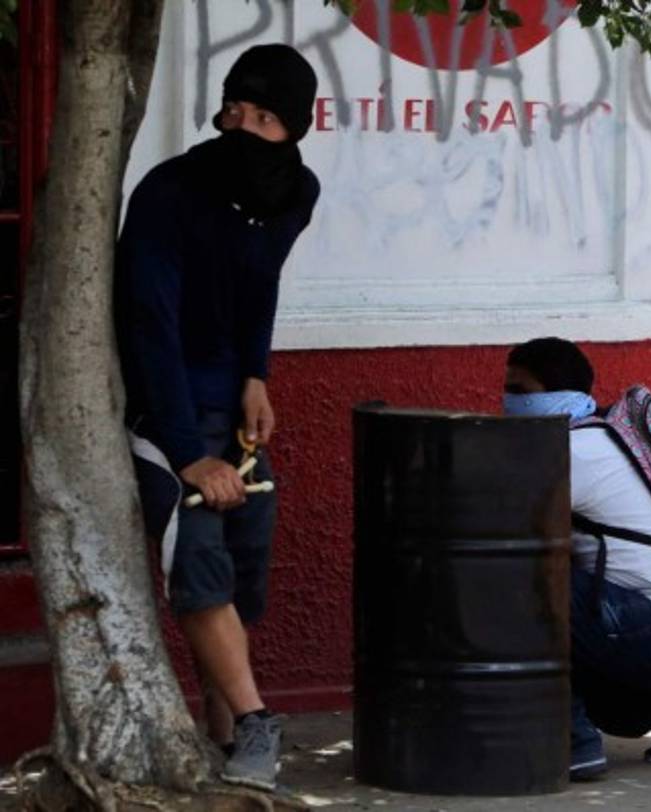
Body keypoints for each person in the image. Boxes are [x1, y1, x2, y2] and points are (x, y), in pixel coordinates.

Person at [115, 44, 320, 790]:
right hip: (159, 413)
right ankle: (261, 723)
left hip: (229, 410)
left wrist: (256, 374)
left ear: (295, 130)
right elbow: (148, 323)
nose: (242, 125)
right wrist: (181, 451)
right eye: (234, 108)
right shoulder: (171, 192)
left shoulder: (295, 192)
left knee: (242, 562)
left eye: (264, 117)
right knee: (198, 559)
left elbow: (257, 282)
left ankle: (226, 728)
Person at [503, 337, 651, 780]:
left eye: (521, 392)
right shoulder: (608, 437)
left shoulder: (573, 453)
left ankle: (575, 745)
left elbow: (496, 526)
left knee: (520, 580)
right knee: (616, 713)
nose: (508, 403)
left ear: (557, 395)